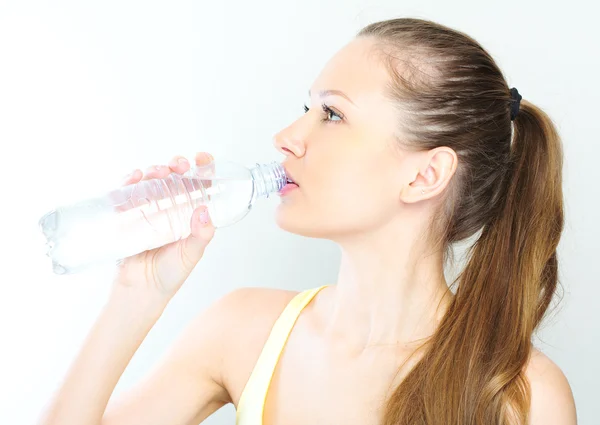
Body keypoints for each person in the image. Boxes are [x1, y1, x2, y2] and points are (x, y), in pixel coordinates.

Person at [38, 17, 577, 425]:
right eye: (308, 107)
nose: (286, 136)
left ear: (424, 176)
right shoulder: (243, 330)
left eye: (333, 114)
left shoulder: (520, 395)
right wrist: (137, 294)